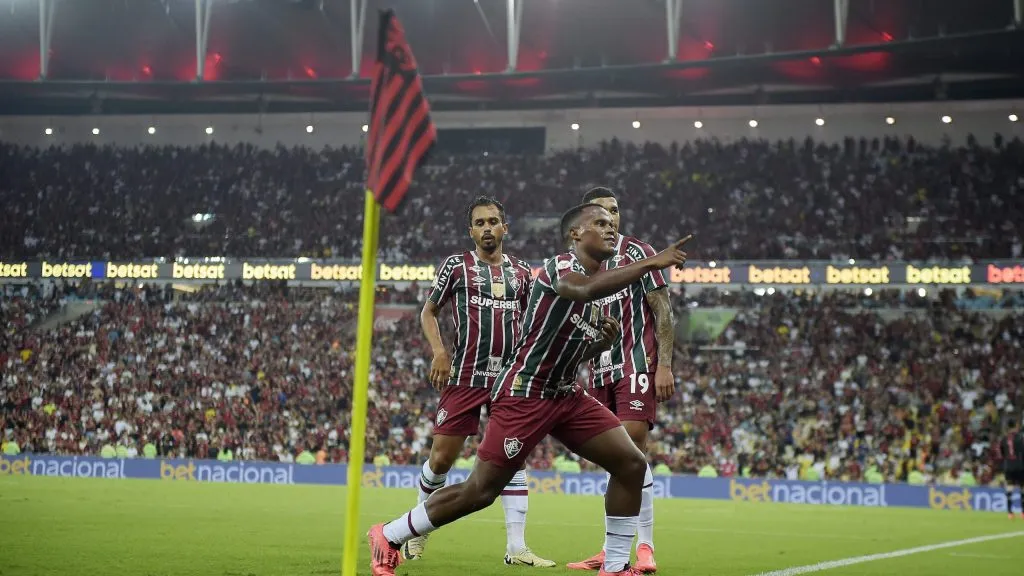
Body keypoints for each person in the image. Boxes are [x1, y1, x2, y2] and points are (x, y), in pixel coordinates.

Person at [368, 203, 693, 576]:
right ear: (575, 234)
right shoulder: (560, 268)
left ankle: (616, 566)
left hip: (566, 394)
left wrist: (598, 347)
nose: (610, 229)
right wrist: (652, 263)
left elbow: (565, 349)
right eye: (600, 223)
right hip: (526, 392)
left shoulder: (595, 294)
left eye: (612, 224)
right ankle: (389, 535)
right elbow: (583, 289)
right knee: (481, 491)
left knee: (631, 463)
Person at [405, 195, 554, 567]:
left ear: (505, 227)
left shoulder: (522, 272)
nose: (487, 228)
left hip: (508, 380)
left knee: (513, 456)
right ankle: (417, 528)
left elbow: (534, 321)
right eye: (480, 223)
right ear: (470, 231)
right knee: (442, 458)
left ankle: (516, 547)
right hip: (465, 375)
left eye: (493, 221)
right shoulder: (456, 266)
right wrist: (440, 352)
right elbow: (428, 311)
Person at [567, 187, 675, 574]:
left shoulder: (640, 253)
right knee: (616, 460)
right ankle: (610, 549)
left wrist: (664, 365)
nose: (611, 218)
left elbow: (663, 310)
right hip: (599, 370)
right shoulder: (583, 263)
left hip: (636, 364)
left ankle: (645, 547)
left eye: (615, 211)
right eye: (602, 213)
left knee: (632, 451)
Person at [997, 418, 1024, 520]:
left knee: (1009, 488)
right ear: (1016, 425)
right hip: (1020, 466)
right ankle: (1023, 513)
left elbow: (1001, 453)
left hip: (1008, 466)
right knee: (1022, 488)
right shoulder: (1020, 437)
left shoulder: (1004, 439)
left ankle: (1010, 513)